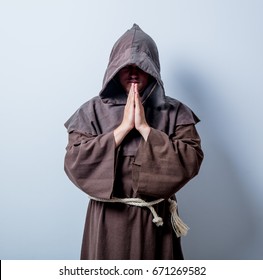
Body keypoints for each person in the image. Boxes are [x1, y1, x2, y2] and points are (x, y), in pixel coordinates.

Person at [64, 24, 204, 260]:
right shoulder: (90, 112)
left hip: (155, 224)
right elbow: (75, 163)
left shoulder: (175, 112)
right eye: (125, 65)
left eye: (140, 65)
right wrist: (123, 129)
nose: (132, 71)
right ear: (113, 68)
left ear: (152, 69)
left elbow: (190, 161)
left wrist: (144, 128)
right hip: (107, 222)